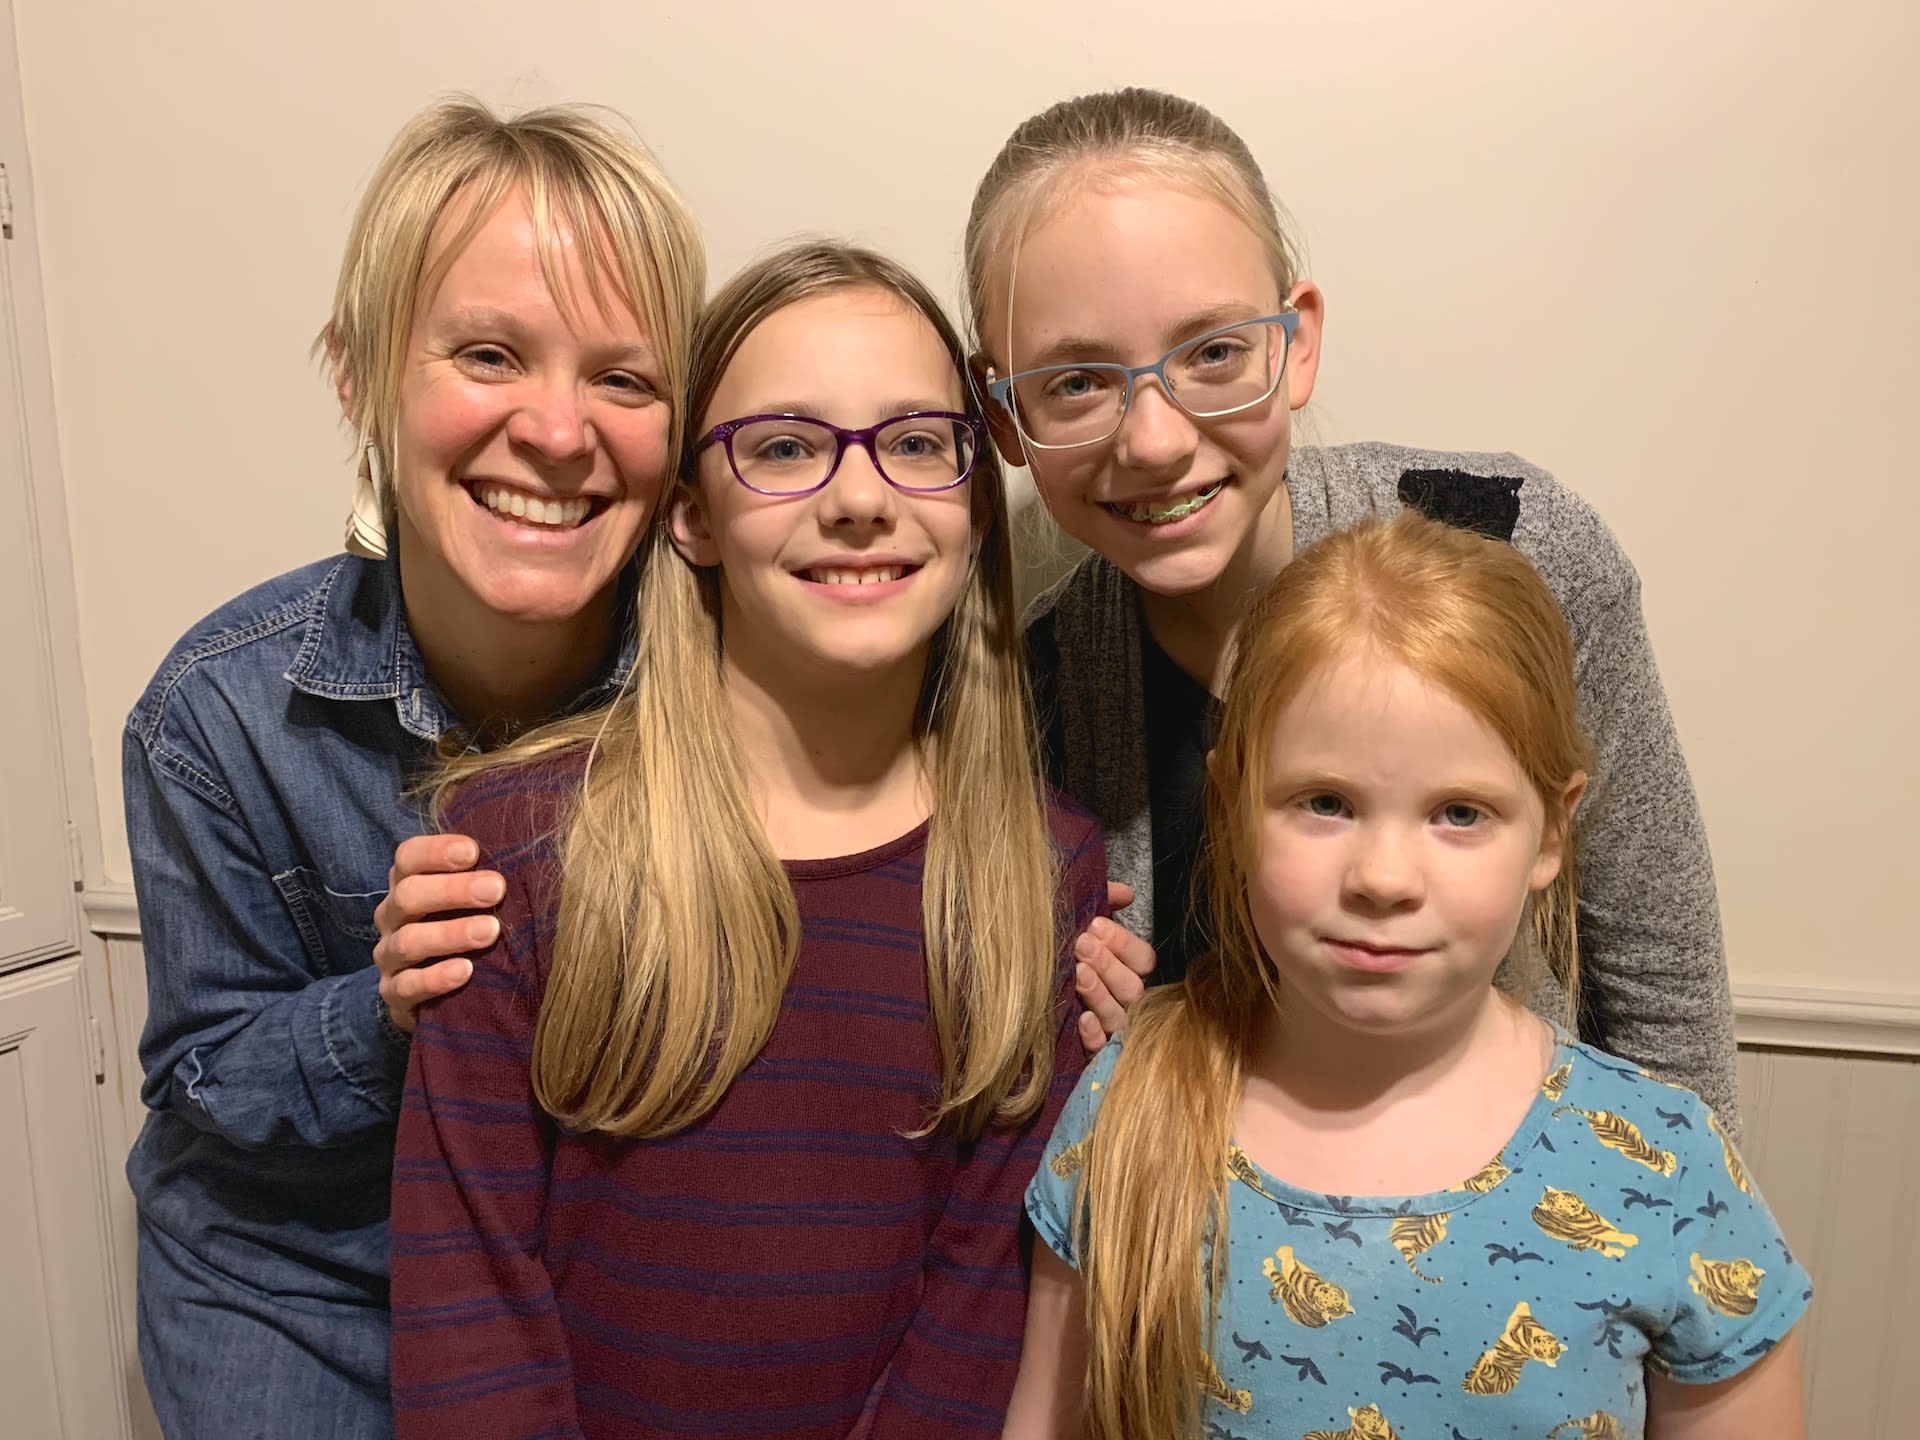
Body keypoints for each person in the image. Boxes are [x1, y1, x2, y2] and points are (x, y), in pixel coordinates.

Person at [388, 241, 1108, 1439]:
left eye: (919, 442)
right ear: (690, 516)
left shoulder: (1044, 877)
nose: (862, 496)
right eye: (783, 447)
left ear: (977, 503)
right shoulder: (518, 851)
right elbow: (471, 1315)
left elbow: (978, 1315)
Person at [963, 87, 1738, 1121]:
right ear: (1003, 417)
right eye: (1074, 384)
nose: (1151, 440)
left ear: (1297, 343)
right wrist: (1051, 1005)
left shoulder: (1520, 553)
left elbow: (1661, 981)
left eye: (1214, 354)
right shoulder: (1027, 690)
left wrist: (1682, 1254)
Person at [122, 98, 703, 1438]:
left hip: (586, 1272)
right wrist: (378, 1010)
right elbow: (203, 1078)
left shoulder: (742, 695)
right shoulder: (218, 716)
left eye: (623, 378)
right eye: (490, 354)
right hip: (309, 1290)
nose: (558, 432)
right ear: (360, 375)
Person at [1007, 512, 1809, 1440]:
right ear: (1229, 806)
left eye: (1459, 813)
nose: (1383, 879)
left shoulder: (1667, 1167)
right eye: (1326, 803)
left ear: (1552, 831)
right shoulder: (1129, 1105)